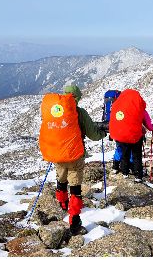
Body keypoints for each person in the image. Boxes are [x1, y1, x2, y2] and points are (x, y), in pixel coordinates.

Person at [54, 85, 108, 235]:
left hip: (58, 154)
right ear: (77, 98)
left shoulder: (55, 111)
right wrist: (102, 133)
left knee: (61, 179)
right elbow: (93, 134)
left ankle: (63, 204)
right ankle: (74, 221)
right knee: (75, 187)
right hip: (75, 155)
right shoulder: (80, 113)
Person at [109, 89, 153, 183]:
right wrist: (152, 128)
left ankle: (125, 173)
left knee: (125, 154)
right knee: (136, 156)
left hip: (122, 136)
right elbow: (148, 125)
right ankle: (138, 175)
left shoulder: (118, 107)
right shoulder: (140, 108)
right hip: (135, 136)